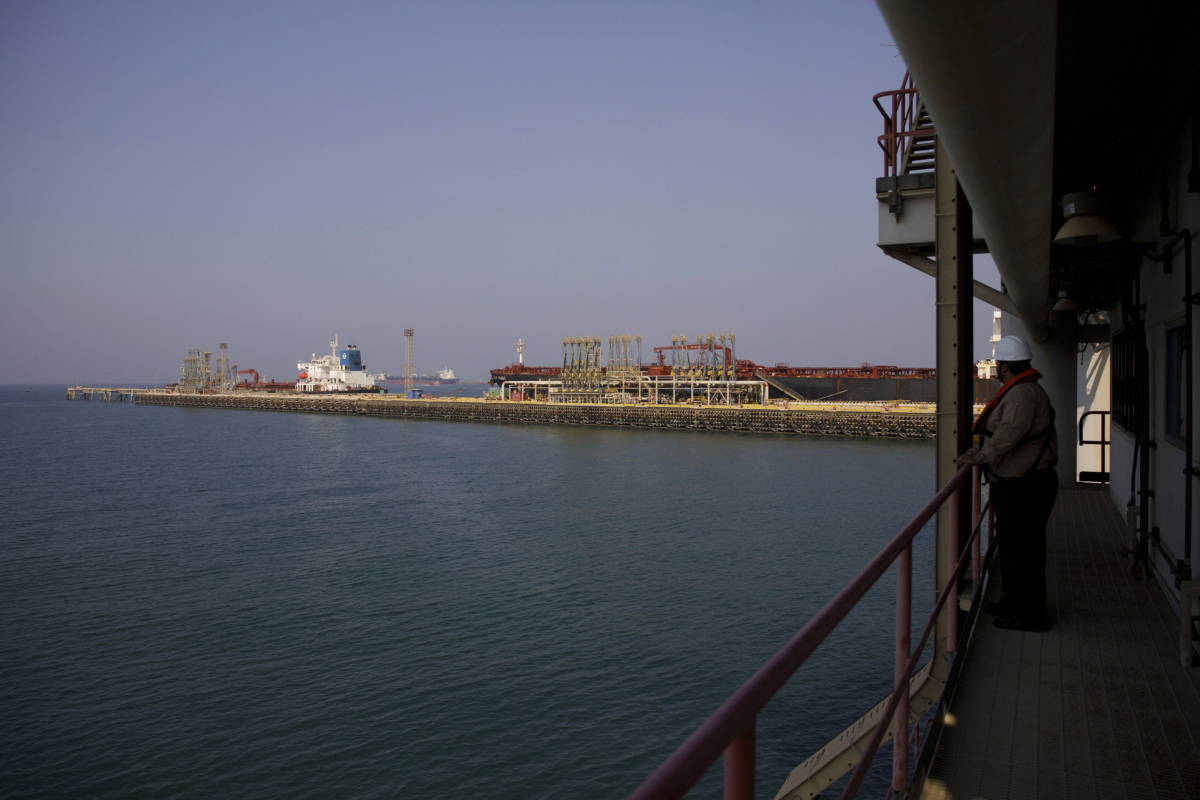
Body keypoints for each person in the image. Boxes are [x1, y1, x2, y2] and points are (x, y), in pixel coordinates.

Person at [956, 335, 1058, 632]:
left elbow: (1009, 433)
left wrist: (980, 456)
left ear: (1002, 367)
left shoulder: (1021, 395)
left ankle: (1031, 615)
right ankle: (1013, 602)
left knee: (1025, 551)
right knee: (1015, 548)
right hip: (1023, 482)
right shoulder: (1026, 391)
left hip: (1026, 485)